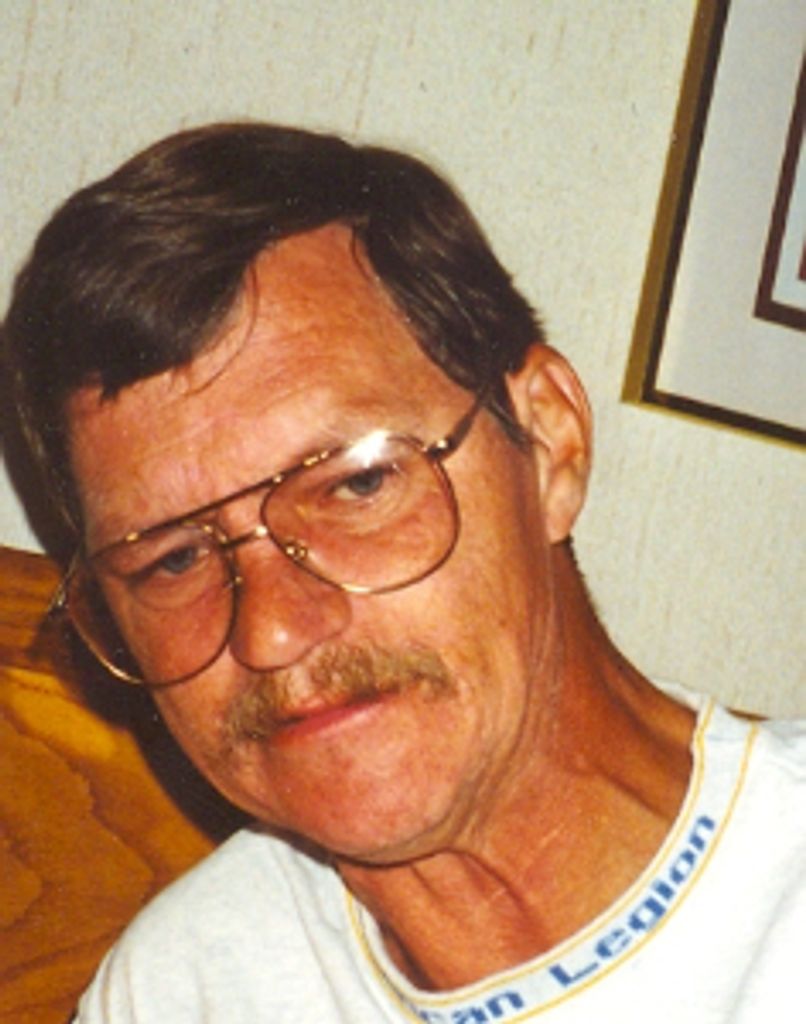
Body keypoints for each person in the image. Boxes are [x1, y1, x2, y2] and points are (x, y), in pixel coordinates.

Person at [3, 122, 804, 1023]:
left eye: (356, 484)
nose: (271, 629)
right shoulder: (180, 994)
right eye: (174, 558)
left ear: (548, 442)